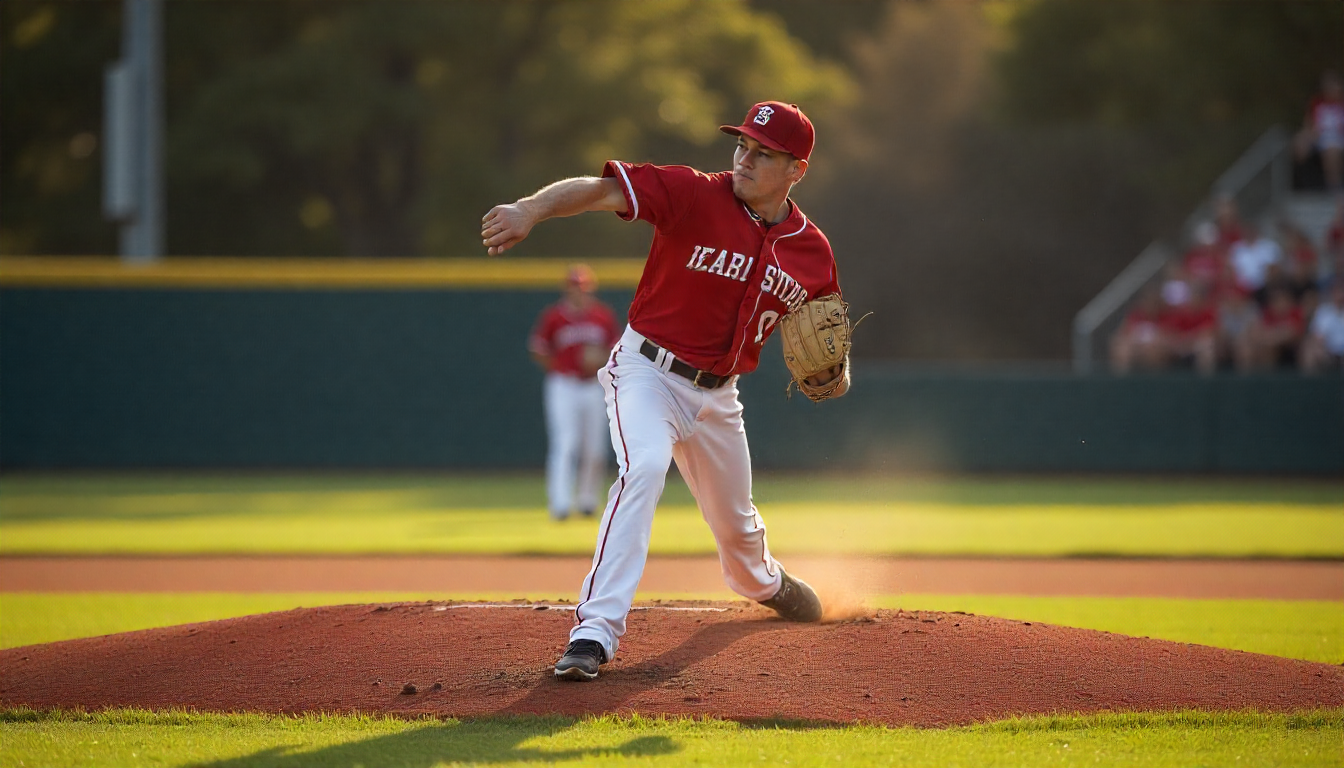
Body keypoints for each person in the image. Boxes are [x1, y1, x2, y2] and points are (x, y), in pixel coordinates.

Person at [481, 101, 843, 681]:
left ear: (796, 169)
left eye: (763, 153)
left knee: (738, 529)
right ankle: (593, 634)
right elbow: (601, 191)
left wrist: (831, 368)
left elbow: (819, 323)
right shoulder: (693, 194)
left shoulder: (812, 251)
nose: (744, 158)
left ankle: (766, 583)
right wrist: (530, 209)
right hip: (647, 373)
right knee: (644, 467)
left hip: (719, 396)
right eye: (741, 145)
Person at [529, 264, 620, 521]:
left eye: (583, 287)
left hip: (593, 385)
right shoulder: (554, 317)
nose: (579, 291)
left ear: (590, 289)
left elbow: (616, 353)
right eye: (574, 286)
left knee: (595, 448)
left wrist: (600, 358)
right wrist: (561, 365)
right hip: (564, 384)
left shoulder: (603, 316)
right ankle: (560, 504)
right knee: (564, 443)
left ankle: (588, 501)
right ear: (567, 289)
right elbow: (538, 349)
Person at [1295, 70, 1344, 191]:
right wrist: (1307, 135)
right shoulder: (1316, 103)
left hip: (1337, 137)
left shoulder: (1341, 103)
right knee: (1299, 144)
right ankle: (1302, 185)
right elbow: (1308, 124)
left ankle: (1334, 187)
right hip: (1319, 136)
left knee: (1331, 151)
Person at [1301, 282, 1344, 373]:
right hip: (1328, 352)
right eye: (1338, 292)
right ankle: (1311, 384)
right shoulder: (1323, 311)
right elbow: (1317, 335)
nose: (1341, 295)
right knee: (1310, 350)